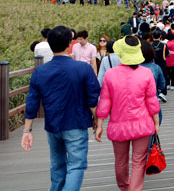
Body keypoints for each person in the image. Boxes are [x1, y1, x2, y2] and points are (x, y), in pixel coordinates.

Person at [21, 25, 101, 191]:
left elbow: (32, 102)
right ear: (69, 44)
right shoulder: (83, 68)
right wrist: (98, 122)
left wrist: (27, 131)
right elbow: (92, 99)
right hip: (76, 123)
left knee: (57, 166)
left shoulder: (40, 71)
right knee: (76, 166)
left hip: (53, 125)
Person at [95, 36, 160, 191]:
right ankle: (135, 189)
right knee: (138, 161)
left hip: (118, 125)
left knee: (120, 161)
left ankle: (124, 187)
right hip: (142, 124)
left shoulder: (110, 74)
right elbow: (152, 102)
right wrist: (156, 123)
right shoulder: (146, 73)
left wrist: (99, 125)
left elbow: (104, 101)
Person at [140, 40, 166, 122]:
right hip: (153, 102)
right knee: (155, 123)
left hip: (136, 104)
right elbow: (162, 85)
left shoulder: (133, 69)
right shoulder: (156, 68)